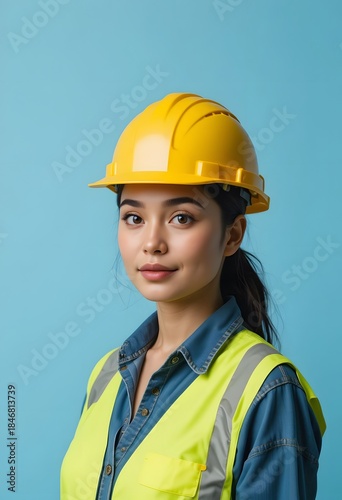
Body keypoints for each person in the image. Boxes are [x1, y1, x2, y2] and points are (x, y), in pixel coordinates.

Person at [60, 93, 326, 499]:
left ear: (232, 234)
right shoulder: (107, 374)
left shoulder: (268, 391)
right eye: (134, 217)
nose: (151, 242)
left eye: (181, 217)